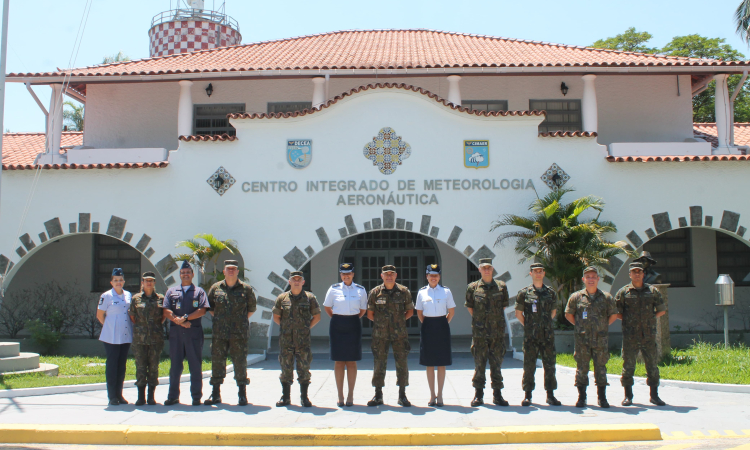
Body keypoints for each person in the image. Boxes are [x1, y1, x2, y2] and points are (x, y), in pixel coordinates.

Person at [205, 260, 257, 406]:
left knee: (240, 362)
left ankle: (242, 394)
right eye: (229, 269)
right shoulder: (216, 288)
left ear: (237, 271)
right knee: (217, 362)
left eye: (234, 269)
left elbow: (252, 308)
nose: (231, 271)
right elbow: (211, 307)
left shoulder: (246, 289)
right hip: (219, 333)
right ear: (224, 271)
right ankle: (215, 394)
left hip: (239, 334)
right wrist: (222, 320)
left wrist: (239, 321)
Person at [615, 261, 667, 407]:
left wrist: (649, 319)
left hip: (648, 336)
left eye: (639, 272)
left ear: (643, 274)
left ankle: (654, 395)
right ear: (630, 274)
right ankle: (628, 396)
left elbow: (661, 310)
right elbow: (616, 312)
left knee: (652, 365)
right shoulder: (623, 292)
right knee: (628, 366)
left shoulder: (653, 291)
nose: (637, 274)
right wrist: (630, 321)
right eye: (634, 272)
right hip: (630, 336)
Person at [565, 266, 618, 408]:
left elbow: (614, 314)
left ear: (598, 279)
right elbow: (568, 314)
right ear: (583, 279)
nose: (591, 279)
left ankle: (602, 398)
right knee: (582, 369)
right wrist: (579, 326)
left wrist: (604, 325)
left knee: (601, 369)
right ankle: (582, 397)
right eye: (588, 277)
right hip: (582, 340)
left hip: (600, 340)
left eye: (593, 277)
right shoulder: (576, 297)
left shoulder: (606, 297)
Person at [162, 260, 209, 406]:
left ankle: (196, 397)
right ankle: (173, 396)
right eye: (183, 273)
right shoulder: (171, 291)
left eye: (188, 272)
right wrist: (178, 320)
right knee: (175, 366)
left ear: (192, 274)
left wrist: (186, 318)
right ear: (180, 275)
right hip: (176, 334)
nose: (185, 274)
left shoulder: (199, 292)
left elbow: (202, 310)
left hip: (193, 334)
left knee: (195, 366)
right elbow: (166, 310)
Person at [366, 265, 414, 407]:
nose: (389, 276)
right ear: (381, 276)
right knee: (379, 363)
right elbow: (370, 314)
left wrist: (397, 322)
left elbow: (410, 311)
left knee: (402, 363)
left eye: (391, 274)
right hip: (380, 335)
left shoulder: (404, 291)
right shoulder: (375, 292)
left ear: (396, 275)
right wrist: (383, 323)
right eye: (386, 274)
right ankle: (378, 395)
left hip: (399, 334)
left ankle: (402, 395)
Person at [515, 263, 561, 407]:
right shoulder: (524, 293)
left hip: (547, 336)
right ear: (531, 274)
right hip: (531, 337)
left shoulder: (551, 292)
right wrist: (529, 326)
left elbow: (553, 311)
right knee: (529, 366)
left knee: (550, 365)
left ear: (544, 273)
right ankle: (528, 395)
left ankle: (550, 395)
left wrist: (545, 324)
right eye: (535, 271)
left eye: (540, 271)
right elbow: (518, 314)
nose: (538, 273)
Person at [272, 271, 321, 407]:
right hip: (286, 340)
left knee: (304, 369)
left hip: (303, 341)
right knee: (285, 369)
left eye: (299, 279)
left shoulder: (309, 298)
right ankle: (285, 397)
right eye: (294, 279)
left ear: (303, 282)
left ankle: (304, 397)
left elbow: (317, 316)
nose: (297, 282)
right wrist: (286, 328)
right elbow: (276, 316)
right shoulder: (282, 298)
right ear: (290, 282)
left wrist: (305, 328)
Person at [466, 258, 510, 407]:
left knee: (496, 364)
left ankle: (497, 395)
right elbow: (470, 307)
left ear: (492, 269)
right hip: (480, 334)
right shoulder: (473, 287)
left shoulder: (501, 287)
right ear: (479, 269)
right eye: (484, 268)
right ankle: (478, 395)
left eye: (489, 268)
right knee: (479, 364)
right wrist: (481, 321)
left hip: (497, 333)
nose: (486, 270)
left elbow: (503, 307)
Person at [323, 263, 367, 407]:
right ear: (340, 275)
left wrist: (350, 318)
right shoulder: (333, 289)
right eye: (343, 273)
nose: (346, 276)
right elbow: (327, 307)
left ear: (353, 274)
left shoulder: (360, 290)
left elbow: (362, 310)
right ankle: (340, 395)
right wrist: (338, 318)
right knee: (339, 361)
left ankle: (350, 395)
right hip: (337, 325)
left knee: (352, 361)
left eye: (348, 273)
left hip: (353, 324)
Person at [415, 263, 455, 407]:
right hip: (428, 327)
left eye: (436, 275)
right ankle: (432, 395)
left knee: (442, 362)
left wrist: (444, 323)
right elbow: (419, 312)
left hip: (442, 326)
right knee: (429, 363)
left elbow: (451, 310)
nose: (433, 278)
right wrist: (427, 324)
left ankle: (441, 395)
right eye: (431, 275)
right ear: (427, 276)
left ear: (439, 277)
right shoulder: (422, 292)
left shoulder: (446, 292)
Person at [97, 268, 133, 406]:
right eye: (115, 280)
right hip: (111, 337)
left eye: (120, 280)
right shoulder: (106, 296)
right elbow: (100, 315)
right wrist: (109, 327)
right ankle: (112, 396)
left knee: (121, 366)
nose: (118, 282)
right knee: (112, 366)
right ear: (111, 282)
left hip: (125, 335)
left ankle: (119, 394)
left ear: (124, 281)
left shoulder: (128, 295)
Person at [128, 271, 165, 406]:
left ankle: (151, 397)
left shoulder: (160, 298)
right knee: (141, 367)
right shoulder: (136, 298)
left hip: (156, 339)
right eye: (146, 280)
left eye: (151, 280)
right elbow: (132, 316)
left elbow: (163, 316)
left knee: (154, 367)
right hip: (139, 339)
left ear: (154, 283)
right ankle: (141, 396)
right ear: (142, 283)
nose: (149, 283)